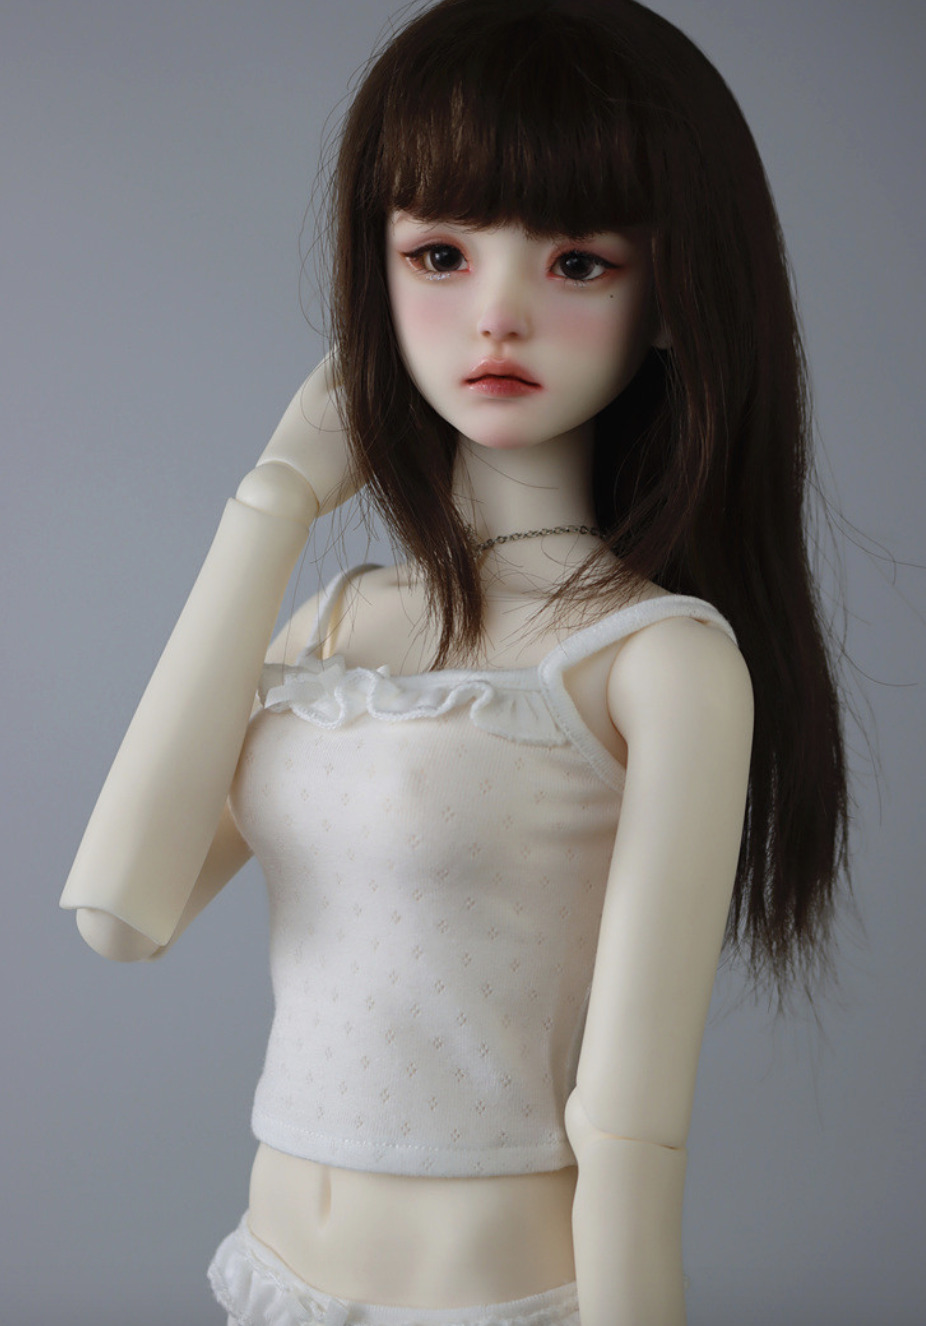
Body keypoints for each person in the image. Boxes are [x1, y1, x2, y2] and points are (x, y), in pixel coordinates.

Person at [61, 1, 850, 1322]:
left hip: (494, 1290)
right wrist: (269, 510)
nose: (497, 315)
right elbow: (119, 917)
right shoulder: (335, 625)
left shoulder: (656, 661)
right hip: (269, 1270)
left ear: (669, 297)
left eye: (577, 263)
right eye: (438, 253)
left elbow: (631, 1118)